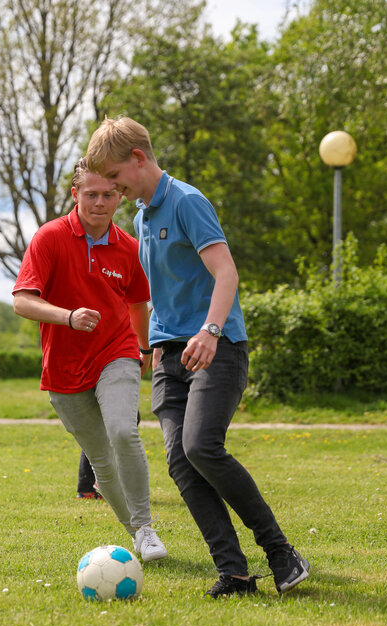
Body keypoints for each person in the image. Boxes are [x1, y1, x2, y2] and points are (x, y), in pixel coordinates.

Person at [86, 117, 309, 597]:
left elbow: (225, 272)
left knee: (202, 446)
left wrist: (210, 331)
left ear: (138, 159)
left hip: (217, 345)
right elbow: (150, 296)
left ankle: (280, 552)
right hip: (170, 354)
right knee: (182, 462)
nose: (114, 189)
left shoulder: (187, 202)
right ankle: (235, 572)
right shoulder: (142, 216)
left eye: (116, 177)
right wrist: (145, 349)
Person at [13, 158, 167, 562]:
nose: (100, 202)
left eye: (109, 195)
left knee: (122, 430)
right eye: (92, 194)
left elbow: (138, 304)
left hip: (116, 353)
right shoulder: (49, 239)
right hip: (64, 371)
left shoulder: (130, 248)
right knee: (101, 463)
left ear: (120, 196)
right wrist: (67, 316)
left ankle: (146, 528)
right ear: (75, 194)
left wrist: (143, 348)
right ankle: (134, 531)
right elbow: (22, 302)